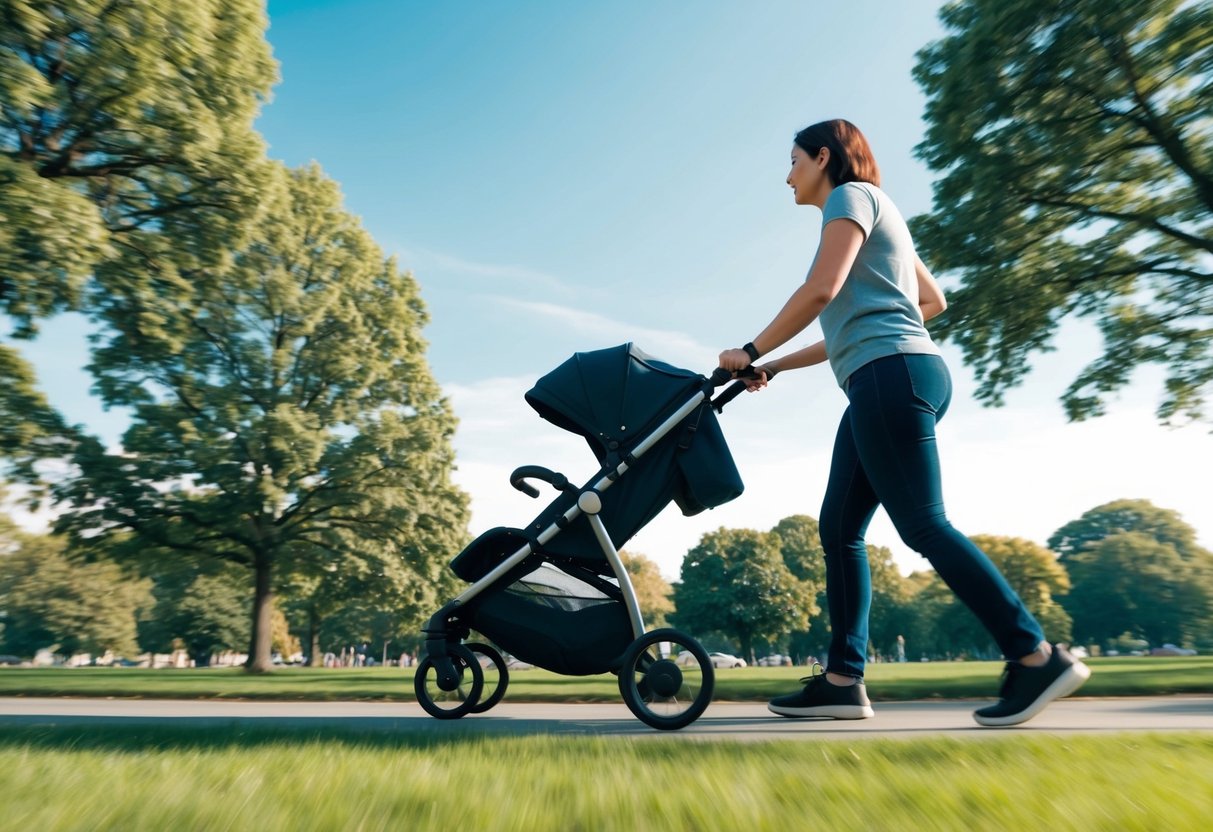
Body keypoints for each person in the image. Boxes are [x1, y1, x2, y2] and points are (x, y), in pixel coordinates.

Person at [718, 118, 1090, 727]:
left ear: (823, 157)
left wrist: (749, 350)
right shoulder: (876, 213)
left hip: (891, 377)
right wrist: (778, 366)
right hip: (893, 375)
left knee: (922, 524)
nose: (787, 176)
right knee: (839, 526)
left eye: (792, 161)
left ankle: (1034, 655)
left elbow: (821, 290)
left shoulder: (849, 197)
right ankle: (843, 682)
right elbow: (929, 302)